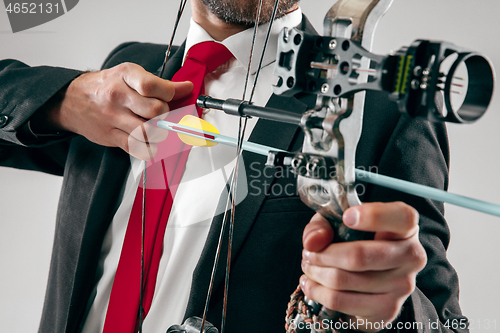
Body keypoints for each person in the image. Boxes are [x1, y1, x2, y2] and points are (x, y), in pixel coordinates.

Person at [0, 0, 466, 332]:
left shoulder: (380, 113)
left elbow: (444, 323)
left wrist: (390, 312)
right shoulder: (126, 71)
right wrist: (63, 99)